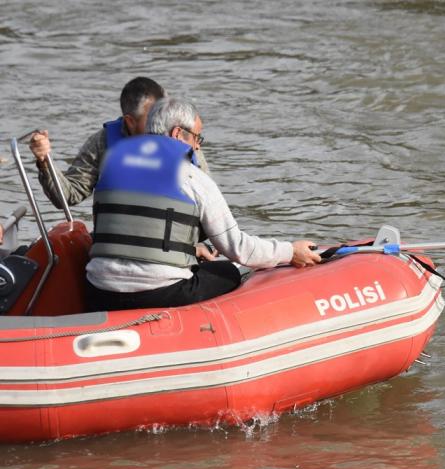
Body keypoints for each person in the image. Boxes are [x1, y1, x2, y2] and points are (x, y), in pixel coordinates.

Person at [84, 97, 320, 312]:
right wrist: (290, 251)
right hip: (158, 294)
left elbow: (128, 233)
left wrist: (189, 248)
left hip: (99, 292)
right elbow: (239, 248)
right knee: (229, 270)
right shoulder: (192, 177)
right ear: (178, 134)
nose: (198, 146)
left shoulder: (111, 169)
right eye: (197, 137)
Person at [28, 77, 209, 209]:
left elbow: (209, 207)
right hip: (116, 243)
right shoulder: (103, 143)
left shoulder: (184, 141)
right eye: (153, 117)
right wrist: (45, 161)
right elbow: (68, 196)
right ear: (129, 121)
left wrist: (198, 245)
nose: (161, 122)